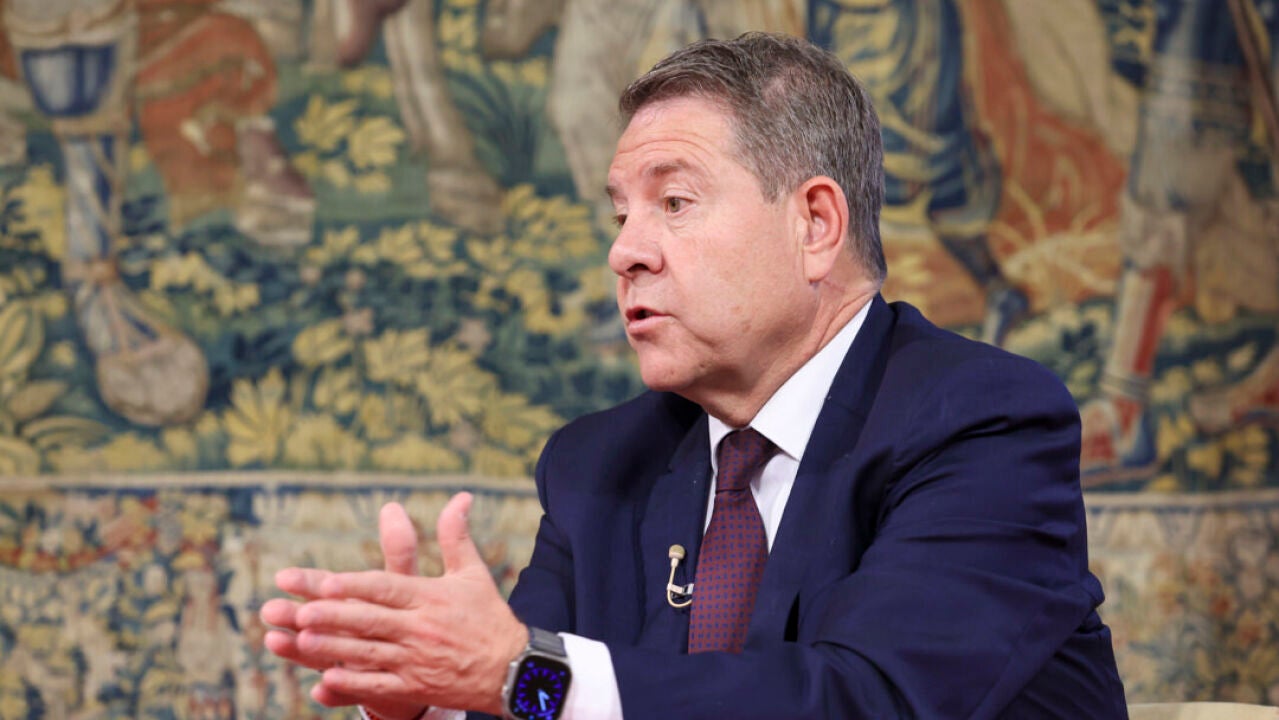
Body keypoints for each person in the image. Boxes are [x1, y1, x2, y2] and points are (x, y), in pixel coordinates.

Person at [262, 32, 1128, 719]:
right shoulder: (599, 466)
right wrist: (433, 702)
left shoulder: (981, 423)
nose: (624, 252)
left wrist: (514, 675)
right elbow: (537, 698)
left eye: (673, 202)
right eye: (619, 214)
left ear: (815, 224)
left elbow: (871, 700)